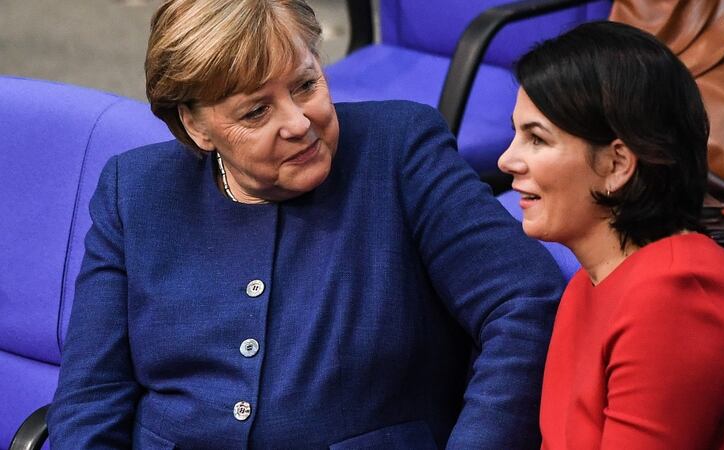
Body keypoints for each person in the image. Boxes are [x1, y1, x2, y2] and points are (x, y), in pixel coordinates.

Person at [46, 0, 564, 448]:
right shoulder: (134, 191)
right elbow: (92, 397)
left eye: (306, 84)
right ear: (195, 125)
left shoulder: (398, 151)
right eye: (255, 112)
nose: (298, 123)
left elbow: (524, 303)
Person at [498, 21, 724, 449]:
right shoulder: (589, 281)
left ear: (618, 164)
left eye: (536, 139)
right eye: (515, 134)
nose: (507, 160)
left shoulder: (675, 301)